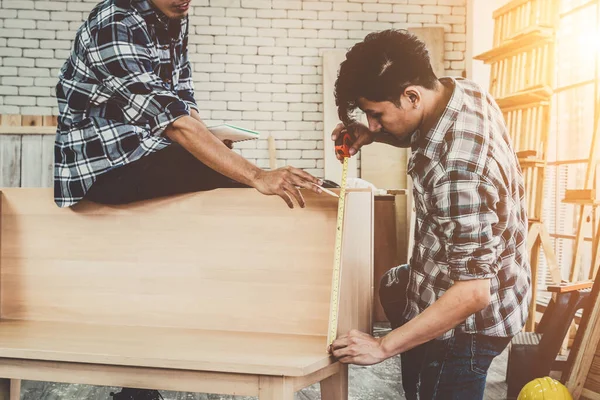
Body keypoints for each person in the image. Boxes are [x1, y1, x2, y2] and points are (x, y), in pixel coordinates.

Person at [328, 30, 531, 400]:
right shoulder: (459, 92)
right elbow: (422, 128)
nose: (373, 124)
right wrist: (373, 135)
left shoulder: (457, 170)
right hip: (480, 282)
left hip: (467, 328)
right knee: (394, 283)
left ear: (411, 96)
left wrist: (383, 346)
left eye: (377, 115)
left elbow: (472, 293)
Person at [55, 0, 323, 211]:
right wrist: (257, 176)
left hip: (142, 152)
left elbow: (182, 96)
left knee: (224, 165)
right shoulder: (115, 24)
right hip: (103, 169)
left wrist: (212, 142)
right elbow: (172, 121)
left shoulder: (173, 13)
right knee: (237, 174)